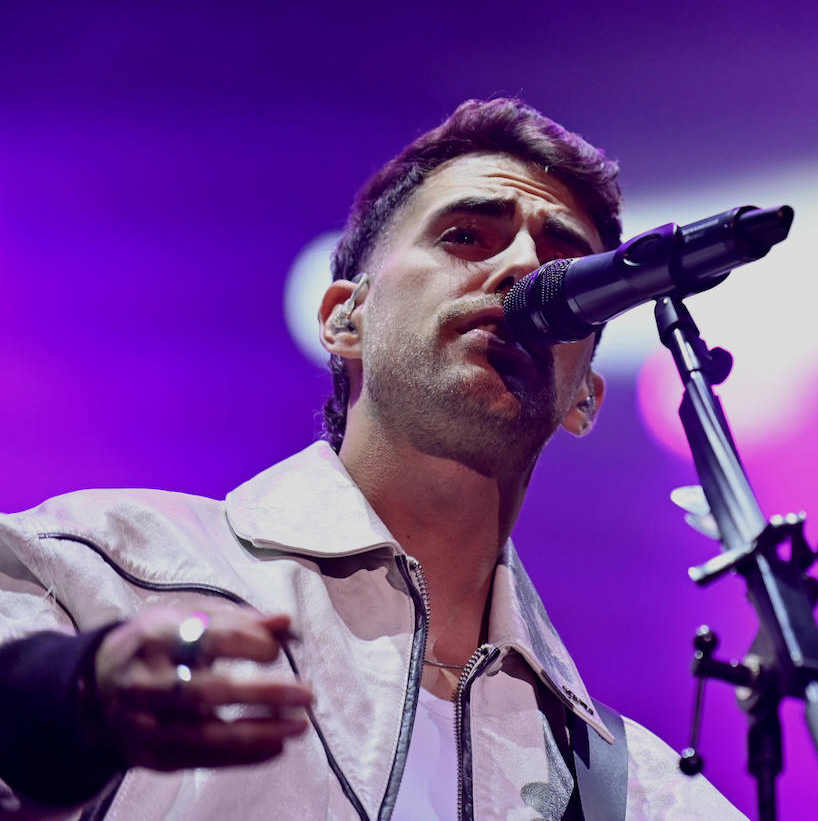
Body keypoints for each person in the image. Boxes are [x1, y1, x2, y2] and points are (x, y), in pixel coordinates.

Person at [0, 98, 744, 820]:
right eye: (465, 236)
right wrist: (74, 701)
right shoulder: (108, 567)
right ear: (343, 319)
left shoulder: (645, 793)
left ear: (584, 396)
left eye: (563, 261)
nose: (524, 267)